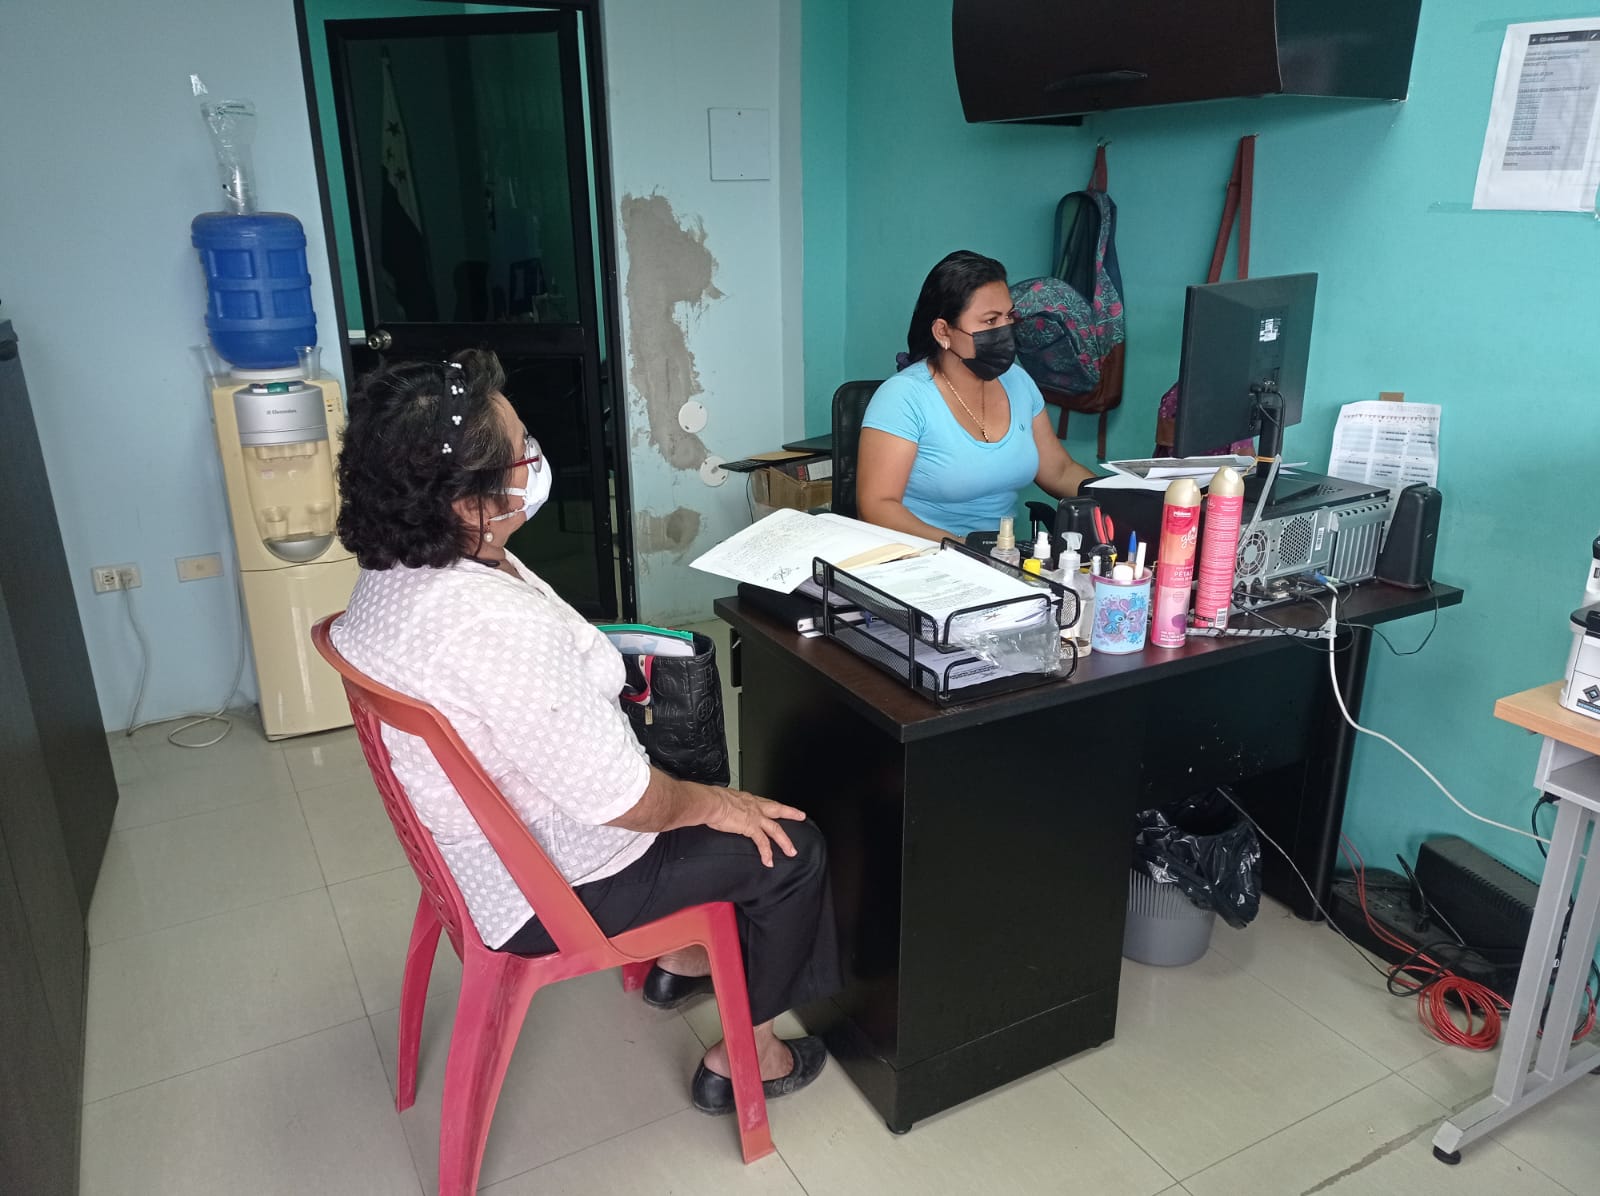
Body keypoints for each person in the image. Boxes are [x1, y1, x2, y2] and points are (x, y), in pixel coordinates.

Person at [330, 350, 840, 1114]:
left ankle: (678, 957)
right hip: (550, 880)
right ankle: (750, 1058)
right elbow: (625, 801)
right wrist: (717, 804)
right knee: (790, 848)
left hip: (482, 852)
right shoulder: (489, 625)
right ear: (466, 502)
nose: (536, 459)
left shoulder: (391, 569)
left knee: (697, 778)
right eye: (521, 453)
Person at [857, 249, 1095, 541]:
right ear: (943, 331)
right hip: (921, 554)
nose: (1005, 330)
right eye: (990, 321)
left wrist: (1121, 496)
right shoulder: (903, 397)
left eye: (1008, 316)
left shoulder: (1018, 382)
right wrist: (961, 547)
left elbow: (1059, 471)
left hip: (1001, 554)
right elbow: (877, 506)